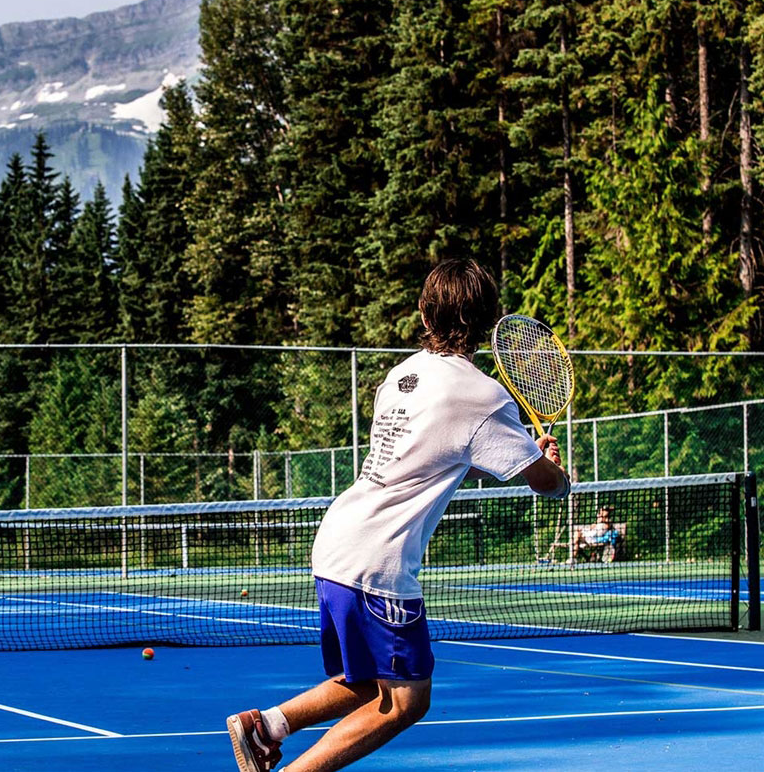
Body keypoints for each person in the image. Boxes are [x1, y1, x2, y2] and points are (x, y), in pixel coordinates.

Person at [226, 259, 569, 772]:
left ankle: (266, 727)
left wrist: (521, 456)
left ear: (423, 315)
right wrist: (552, 471)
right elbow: (546, 485)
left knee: (369, 680)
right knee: (406, 702)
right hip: (378, 561)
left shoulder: (402, 375)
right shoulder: (484, 396)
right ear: (488, 319)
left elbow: (438, 457)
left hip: (338, 543)